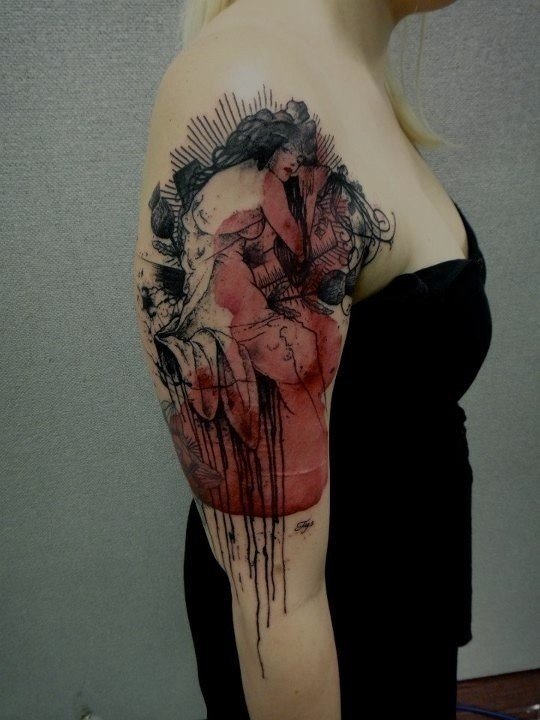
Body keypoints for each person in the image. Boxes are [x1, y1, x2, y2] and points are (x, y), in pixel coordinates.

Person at [133, 0, 493, 718]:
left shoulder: (351, 78)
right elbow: (277, 599)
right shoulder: (245, 86)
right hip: (326, 652)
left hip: (407, 602)